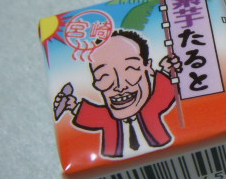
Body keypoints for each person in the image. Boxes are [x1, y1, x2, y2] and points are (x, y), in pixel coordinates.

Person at [54, 29, 182, 158]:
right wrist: (72, 106)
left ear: (148, 67)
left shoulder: (151, 108)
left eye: (130, 69)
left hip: (167, 151)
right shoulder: (107, 119)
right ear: (95, 81)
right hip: (112, 158)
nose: (120, 86)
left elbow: (162, 94)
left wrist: (167, 71)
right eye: (104, 76)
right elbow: (93, 116)